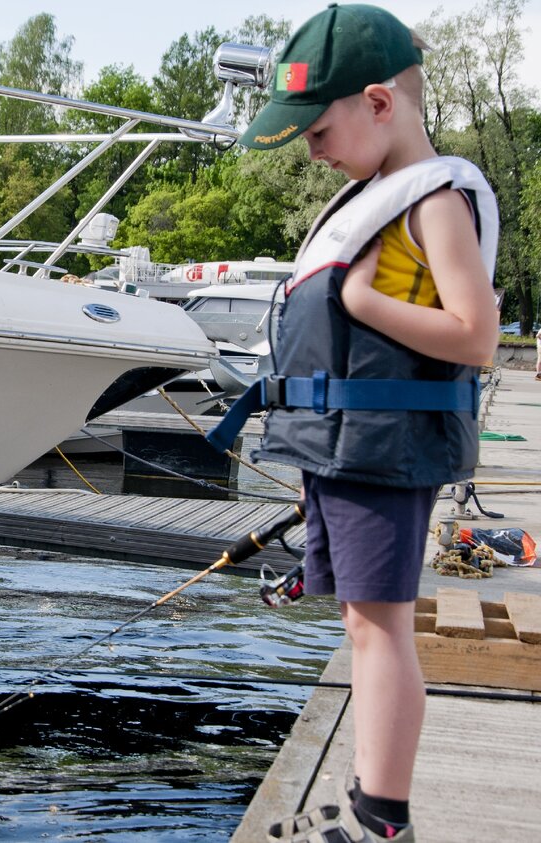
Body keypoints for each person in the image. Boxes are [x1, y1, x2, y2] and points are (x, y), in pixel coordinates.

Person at [236, 5, 501, 842]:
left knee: (381, 626)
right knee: (362, 620)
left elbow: (478, 334)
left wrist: (362, 299)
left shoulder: (435, 202)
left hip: (385, 450)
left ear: (380, 104)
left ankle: (381, 820)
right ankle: (366, 796)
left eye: (317, 131)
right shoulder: (378, 196)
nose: (313, 151)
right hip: (347, 449)